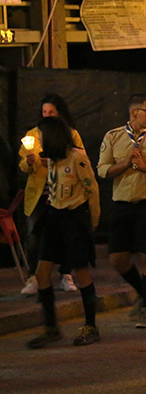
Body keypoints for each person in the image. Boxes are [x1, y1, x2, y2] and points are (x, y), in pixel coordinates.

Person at [97, 93, 146, 329]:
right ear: (134, 113)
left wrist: (144, 167)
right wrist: (124, 164)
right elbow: (102, 169)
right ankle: (145, 290)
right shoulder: (113, 136)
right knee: (117, 258)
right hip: (122, 203)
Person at [26, 117, 101, 349]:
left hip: (74, 219)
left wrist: (93, 222)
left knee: (81, 272)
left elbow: (92, 190)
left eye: (42, 135)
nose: (39, 140)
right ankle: (51, 328)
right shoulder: (51, 160)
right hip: (54, 216)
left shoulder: (77, 157)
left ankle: (91, 327)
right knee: (42, 272)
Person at [18, 94, 84, 295]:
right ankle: (33, 278)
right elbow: (23, 165)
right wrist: (29, 162)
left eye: (51, 112)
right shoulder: (33, 134)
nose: (47, 116)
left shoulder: (70, 134)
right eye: (44, 112)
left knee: (65, 235)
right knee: (34, 236)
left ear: (60, 113)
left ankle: (66, 274)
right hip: (39, 193)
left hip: (63, 192)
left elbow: (81, 159)